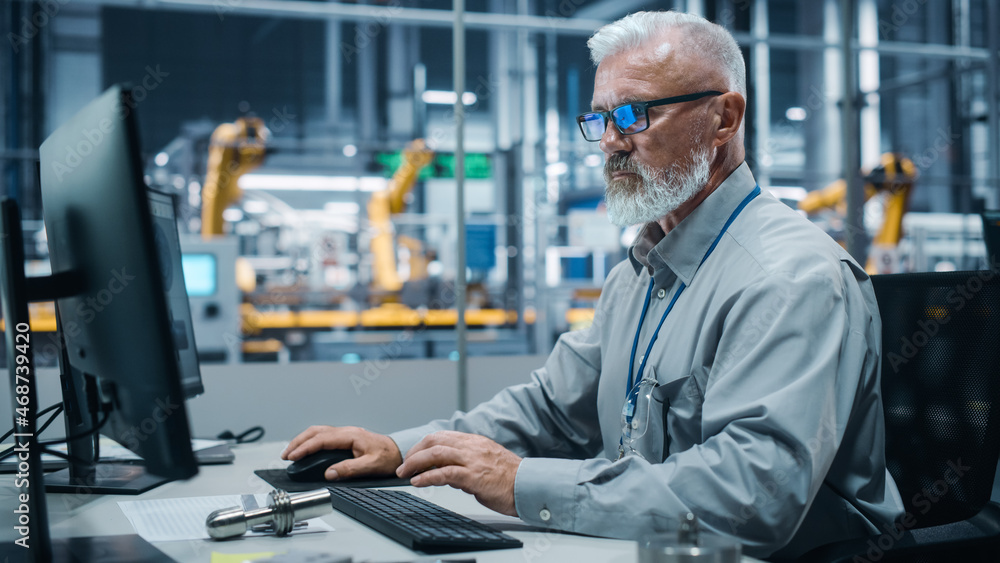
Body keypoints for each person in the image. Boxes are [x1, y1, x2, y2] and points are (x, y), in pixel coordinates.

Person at [283, 11, 905, 559]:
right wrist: (404, 449)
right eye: (601, 119)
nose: (610, 143)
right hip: (655, 546)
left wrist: (521, 483)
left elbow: (753, 495)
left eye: (634, 115)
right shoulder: (638, 274)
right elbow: (549, 409)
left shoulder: (788, 277)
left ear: (724, 118)